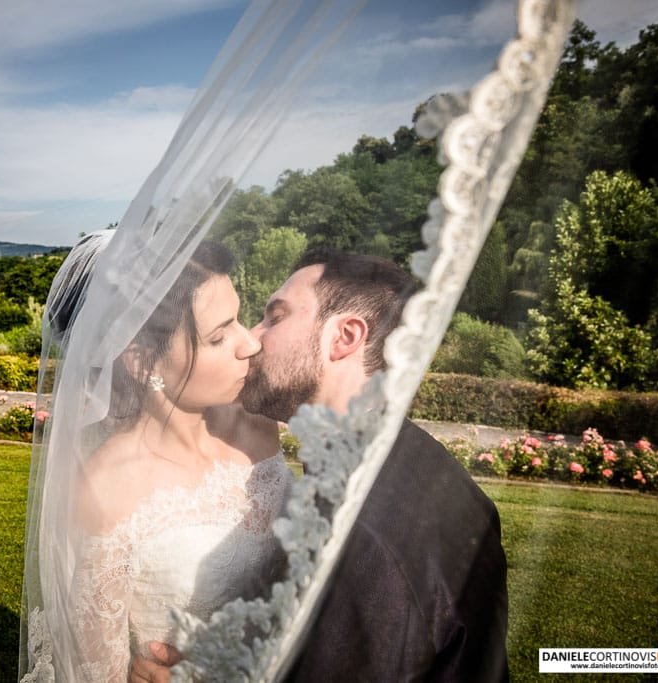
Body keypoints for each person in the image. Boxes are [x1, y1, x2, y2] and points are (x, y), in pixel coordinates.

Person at [132, 247, 509, 682]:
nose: (252, 339)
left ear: (345, 337)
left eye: (275, 317)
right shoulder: (414, 462)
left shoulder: (356, 536)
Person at [31, 235, 294, 682]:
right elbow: (98, 674)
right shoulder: (109, 491)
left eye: (238, 318)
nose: (248, 344)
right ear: (141, 363)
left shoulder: (257, 424)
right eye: (217, 335)